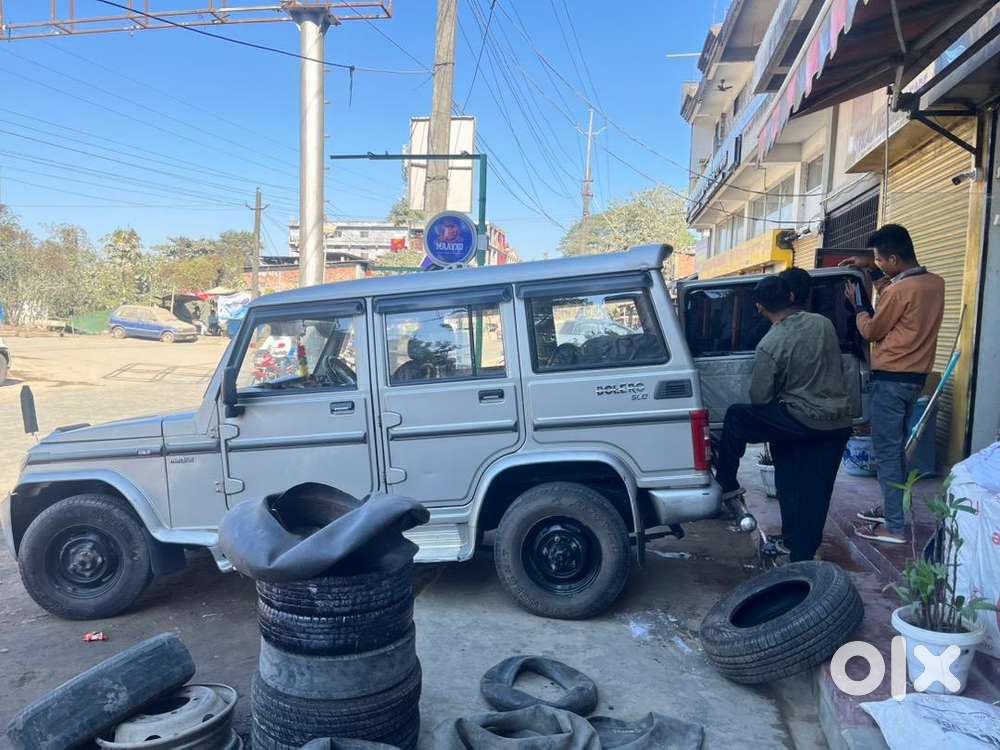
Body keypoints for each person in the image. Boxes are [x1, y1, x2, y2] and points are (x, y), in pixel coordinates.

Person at [715, 275, 853, 561]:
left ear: (759, 308)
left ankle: (726, 482)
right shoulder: (823, 324)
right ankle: (799, 550)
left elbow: (760, 399)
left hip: (801, 419)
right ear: (791, 298)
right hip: (837, 423)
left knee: (737, 416)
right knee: (812, 490)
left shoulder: (771, 343)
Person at [842, 224, 944, 545]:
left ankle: (895, 527)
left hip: (890, 380)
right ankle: (892, 509)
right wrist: (871, 271)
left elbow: (872, 330)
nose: (879, 264)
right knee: (896, 451)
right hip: (915, 379)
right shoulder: (934, 284)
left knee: (886, 453)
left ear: (895, 258)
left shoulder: (899, 291)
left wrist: (858, 304)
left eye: (881, 260)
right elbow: (898, 307)